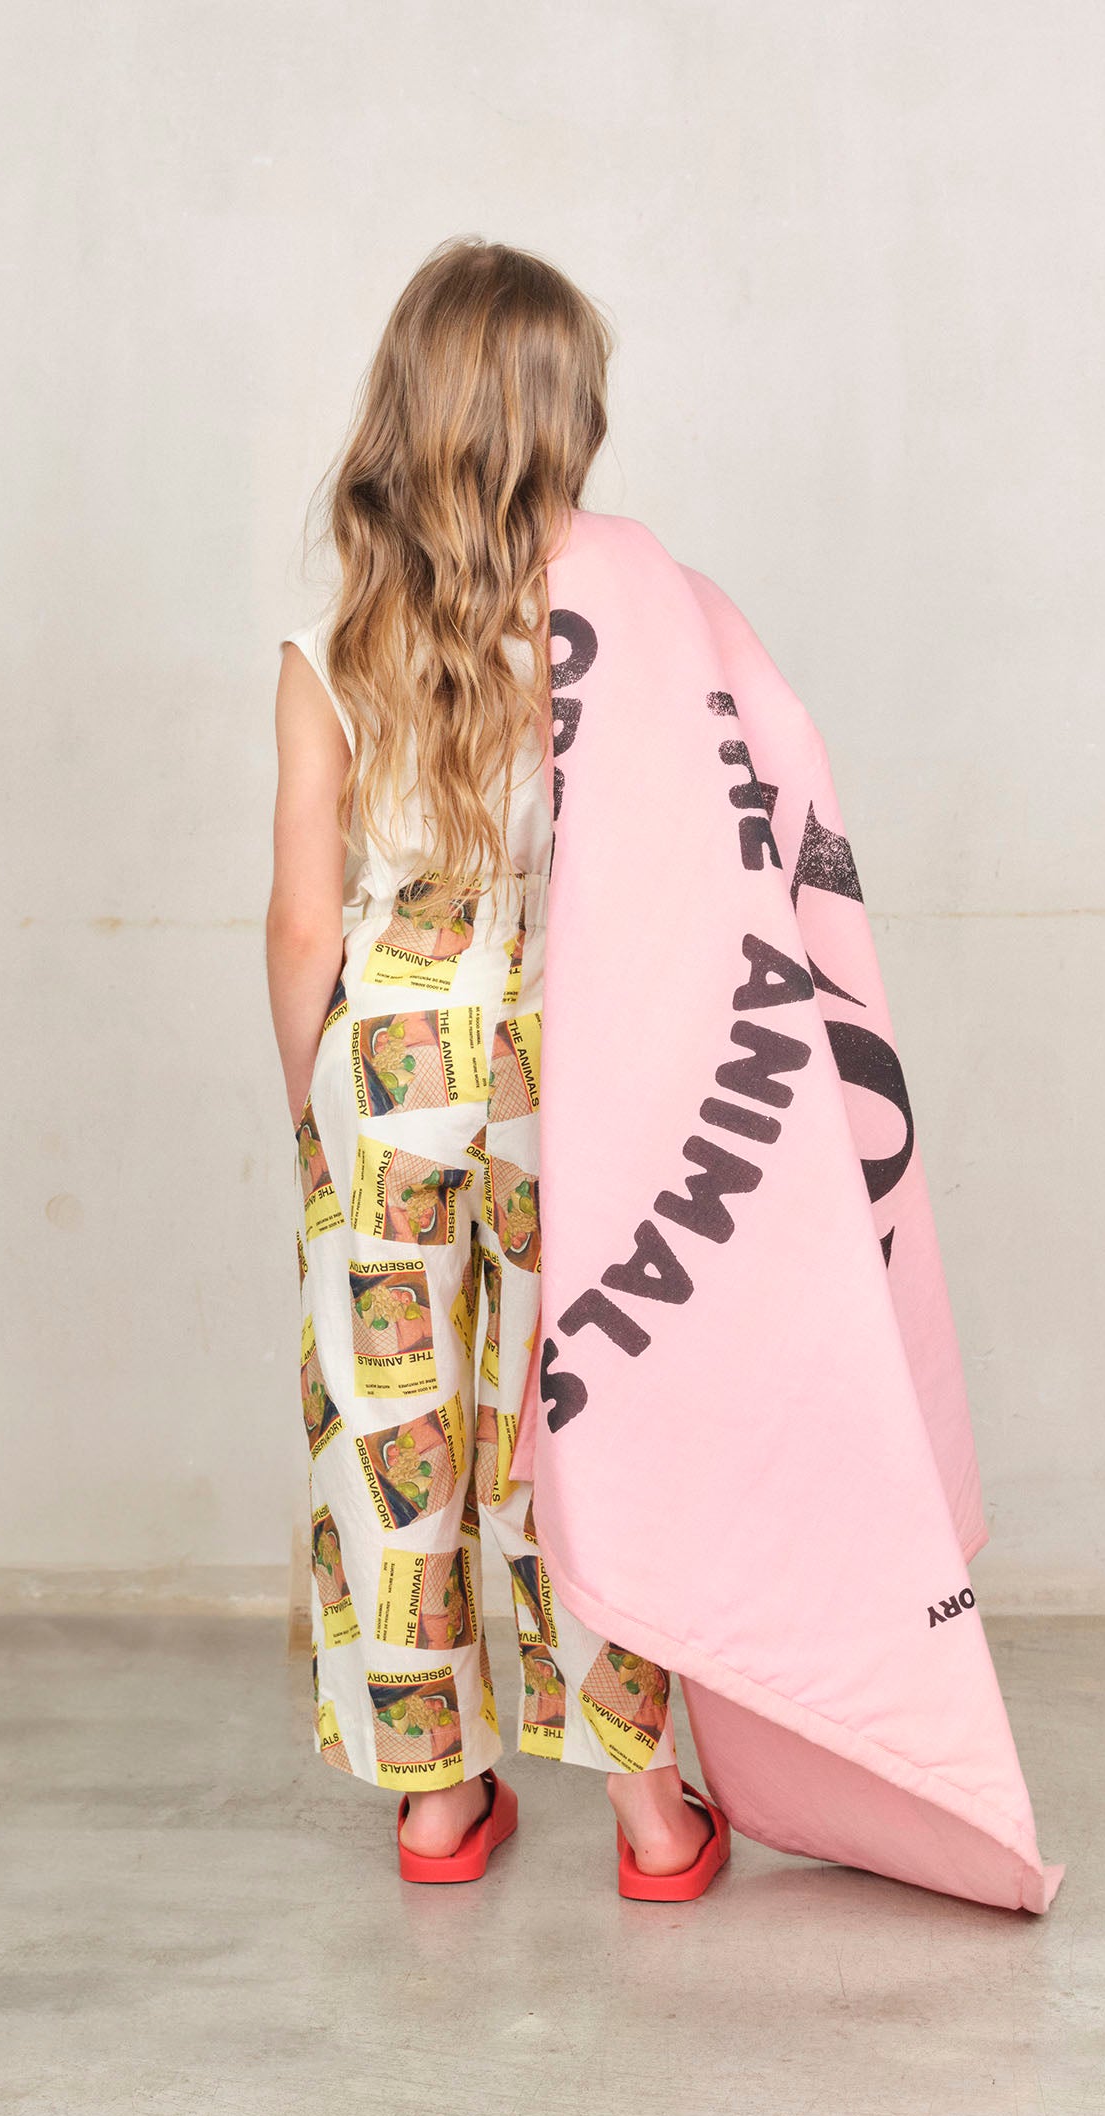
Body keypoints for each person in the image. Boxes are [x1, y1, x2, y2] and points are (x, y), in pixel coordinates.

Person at [266, 237, 730, 1897]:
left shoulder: (329, 648)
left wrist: (317, 1106)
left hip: (383, 1052)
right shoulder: (619, 628)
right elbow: (676, 879)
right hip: (564, 1058)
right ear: (563, 422)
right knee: (567, 1424)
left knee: (385, 1419)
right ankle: (650, 1816)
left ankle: (436, 1805)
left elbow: (301, 921)